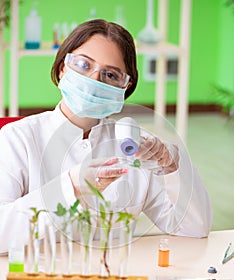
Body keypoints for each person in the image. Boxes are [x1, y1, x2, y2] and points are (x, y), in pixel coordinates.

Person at [0, 19, 212, 254]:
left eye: (110, 75)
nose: (93, 80)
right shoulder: (17, 139)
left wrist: (174, 166)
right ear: (62, 68)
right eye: (83, 64)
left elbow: (194, 228)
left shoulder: (136, 146)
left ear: (123, 89)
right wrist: (73, 186)